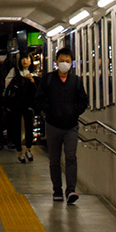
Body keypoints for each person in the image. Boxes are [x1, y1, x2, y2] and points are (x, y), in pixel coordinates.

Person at [36, 46, 89, 204]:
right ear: (56, 62)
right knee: (54, 159)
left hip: (71, 126)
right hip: (53, 125)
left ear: (72, 63)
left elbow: (83, 101)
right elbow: (39, 98)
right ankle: (57, 190)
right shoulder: (48, 79)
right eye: (62, 61)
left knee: (71, 157)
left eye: (67, 61)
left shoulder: (76, 81)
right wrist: (48, 111)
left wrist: (75, 112)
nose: (64, 63)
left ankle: (71, 190)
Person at [4, 53, 36, 163]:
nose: (25, 61)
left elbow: (38, 90)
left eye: (27, 58)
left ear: (31, 60)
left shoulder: (34, 74)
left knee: (29, 127)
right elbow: (7, 84)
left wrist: (33, 81)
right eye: (23, 58)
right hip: (16, 104)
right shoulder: (14, 71)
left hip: (28, 105)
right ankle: (19, 152)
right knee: (16, 127)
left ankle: (28, 149)